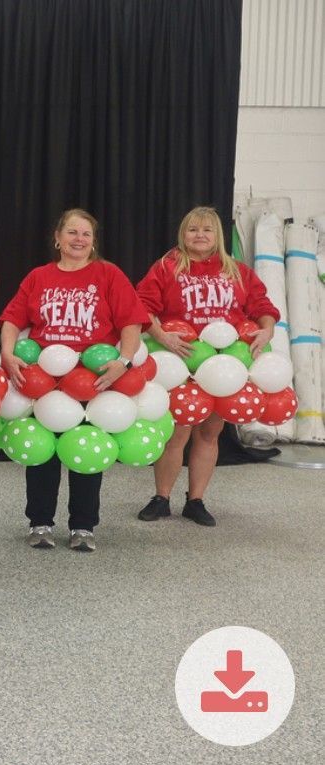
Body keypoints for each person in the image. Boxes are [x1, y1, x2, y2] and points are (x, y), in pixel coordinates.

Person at [0, 209, 148, 552]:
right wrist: (7, 352)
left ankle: (83, 525)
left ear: (93, 242)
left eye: (86, 234)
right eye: (72, 232)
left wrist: (124, 362)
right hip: (45, 379)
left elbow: (131, 321)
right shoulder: (38, 277)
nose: (78, 239)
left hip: (91, 378)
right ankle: (40, 522)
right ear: (58, 237)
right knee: (43, 452)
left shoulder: (109, 274)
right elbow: (12, 318)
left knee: (86, 447)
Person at [134, 206, 279, 527]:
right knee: (176, 433)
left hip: (223, 366)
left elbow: (262, 306)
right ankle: (161, 498)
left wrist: (267, 330)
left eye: (207, 230)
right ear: (182, 234)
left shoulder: (237, 271)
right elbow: (141, 306)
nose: (199, 235)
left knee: (210, 433)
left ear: (218, 236)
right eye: (193, 229)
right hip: (181, 363)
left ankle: (196, 500)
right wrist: (162, 336)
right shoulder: (167, 267)